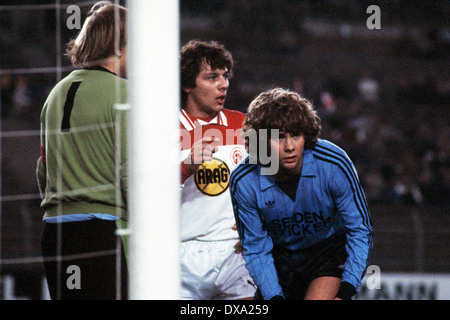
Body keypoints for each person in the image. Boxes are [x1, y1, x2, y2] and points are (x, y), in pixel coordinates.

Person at [230, 88, 373, 300]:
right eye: (279, 138)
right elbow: (256, 248)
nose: (290, 147)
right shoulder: (244, 179)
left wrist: (346, 290)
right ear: (262, 142)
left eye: (295, 135)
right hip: (279, 258)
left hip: (326, 253)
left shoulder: (334, 164)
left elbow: (360, 230)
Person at [37, 1, 128, 300]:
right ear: (119, 45)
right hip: (104, 233)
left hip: (56, 233)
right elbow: (131, 174)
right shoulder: (126, 95)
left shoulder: (54, 94)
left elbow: (43, 170)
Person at [179, 40, 255, 300]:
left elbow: (279, 180)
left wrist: (262, 221)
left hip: (234, 253)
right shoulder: (161, 128)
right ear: (188, 84)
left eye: (225, 76)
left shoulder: (245, 125)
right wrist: (185, 166)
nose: (223, 84)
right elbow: (141, 191)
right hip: (180, 255)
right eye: (212, 77)